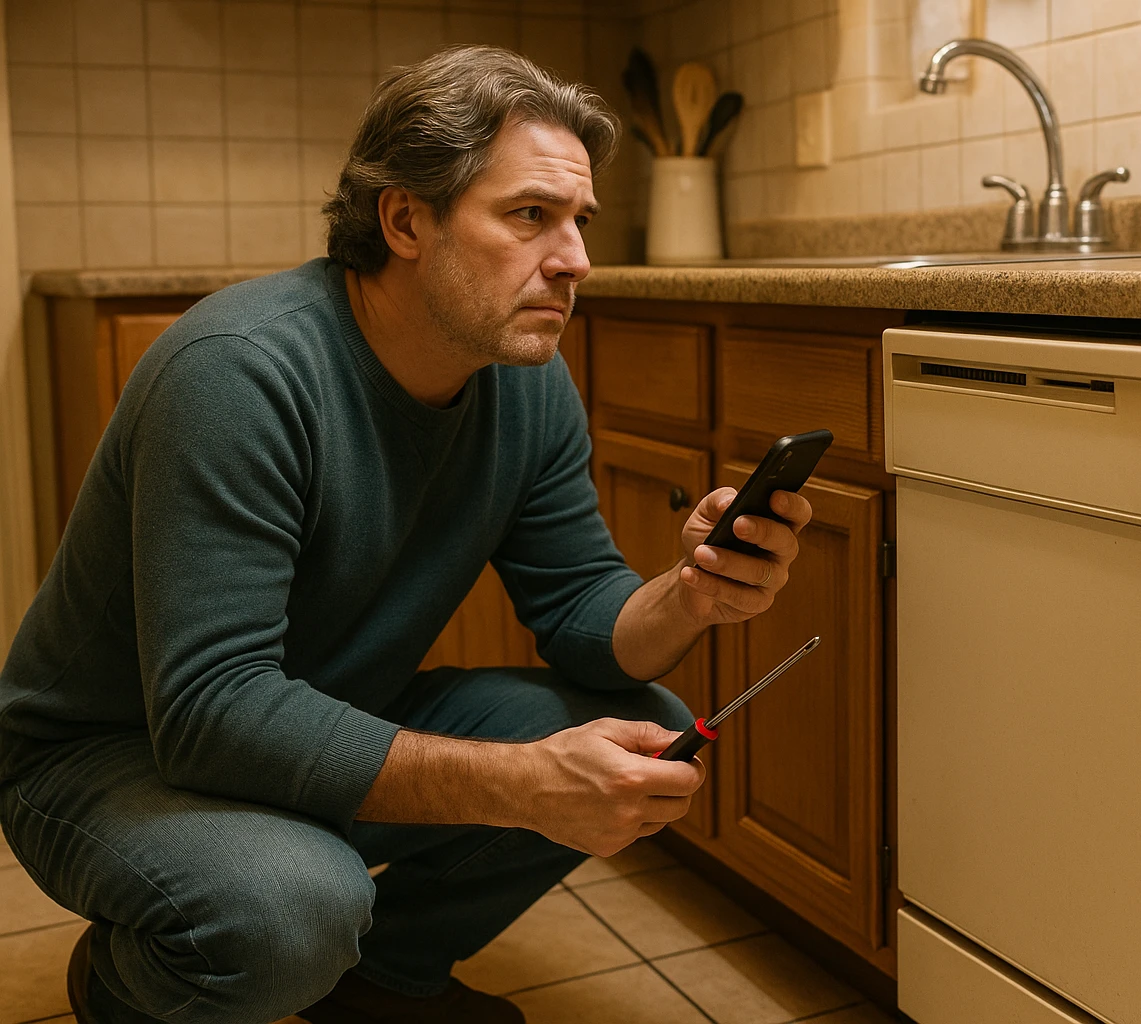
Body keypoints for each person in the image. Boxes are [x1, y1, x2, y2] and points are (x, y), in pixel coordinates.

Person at [0, 47, 811, 1024]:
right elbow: (212, 707)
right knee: (297, 904)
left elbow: (580, 609)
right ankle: (126, 986)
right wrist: (521, 783)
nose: (576, 259)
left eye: (578, 222)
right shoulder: (240, 374)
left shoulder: (525, 381)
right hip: (106, 757)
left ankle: (386, 975)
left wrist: (693, 591)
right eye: (529, 216)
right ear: (405, 218)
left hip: (315, 709)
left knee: (649, 731)